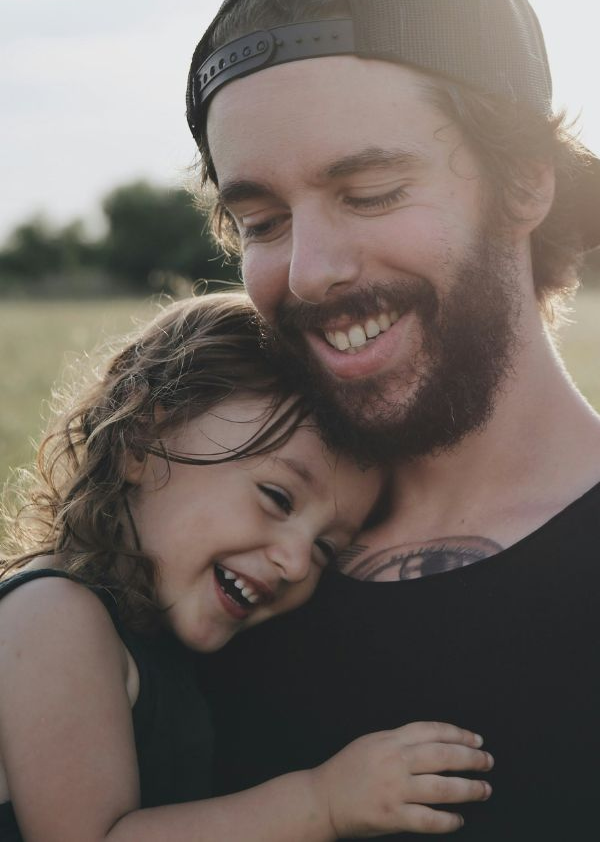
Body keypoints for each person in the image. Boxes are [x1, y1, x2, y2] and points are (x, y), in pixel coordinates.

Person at [184, 0, 600, 839]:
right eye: (261, 222)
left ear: (526, 181)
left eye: (369, 192)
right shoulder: (204, 550)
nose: (309, 272)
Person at [0, 291, 494, 842]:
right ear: (140, 439)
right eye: (278, 499)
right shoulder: (53, 614)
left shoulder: (155, 642)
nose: (294, 561)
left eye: (326, 549)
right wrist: (322, 803)